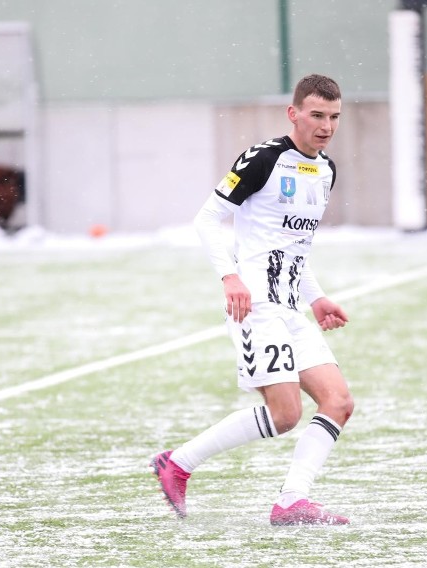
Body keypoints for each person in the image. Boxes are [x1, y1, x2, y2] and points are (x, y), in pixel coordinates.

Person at [151, 74, 354, 526]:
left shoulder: (326, 171)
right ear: (294, 113)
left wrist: (316, 298)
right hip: (255, 307)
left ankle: (291, 502)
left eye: (334, 117)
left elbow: (295, 247)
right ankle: (177, 464)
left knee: (338, 402)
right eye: (317, 115)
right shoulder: (265, 158)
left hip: (292, 308)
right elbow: (207, 219)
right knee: (285, 414)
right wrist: (230, 278)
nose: (326, 126)